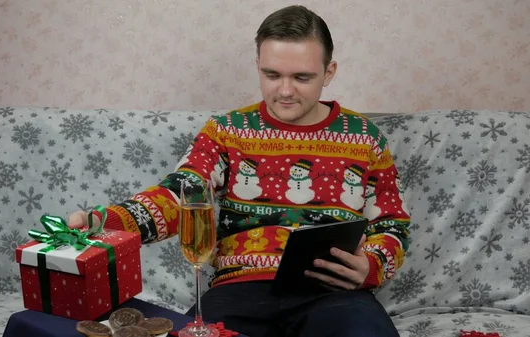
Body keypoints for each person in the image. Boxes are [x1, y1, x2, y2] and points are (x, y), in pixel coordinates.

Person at [68, 5, 410, 337]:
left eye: (302, 77)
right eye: (272, 75)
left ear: (329, 72)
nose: (285, 91)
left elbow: (392, 223)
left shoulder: (365, 137)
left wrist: (372, 266)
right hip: (238, 289)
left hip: (334, 294)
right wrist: (105, 222)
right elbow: (181, 193)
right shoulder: (226, 131)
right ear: (258, 65)